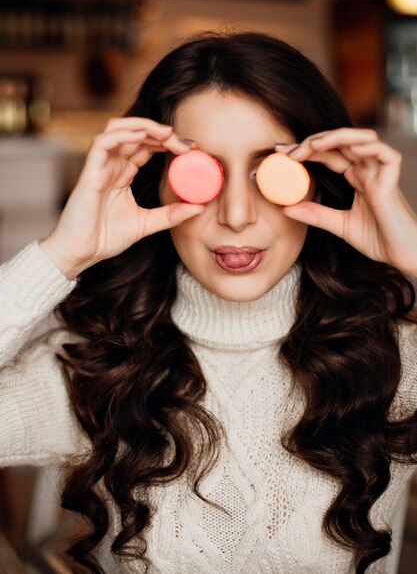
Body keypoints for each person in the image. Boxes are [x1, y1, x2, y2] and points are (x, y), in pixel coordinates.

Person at [1, 31, 417, 574]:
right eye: (203, 173)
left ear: (314, 182)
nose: (237, 214)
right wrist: (62, 254)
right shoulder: (96, 370)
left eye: (270, 170)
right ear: (160, 185)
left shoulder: (394, 363)